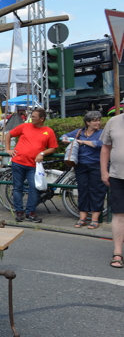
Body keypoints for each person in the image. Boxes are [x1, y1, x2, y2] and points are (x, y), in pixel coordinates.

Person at [4, 107, 58, 223]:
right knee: (17, 188)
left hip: (34, 165)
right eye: (31, 116)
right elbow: (9, 134)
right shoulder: (25, 126)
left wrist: (42, 153)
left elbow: (53, 148)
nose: (31, 118)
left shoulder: (48, 131)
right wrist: (8, 149)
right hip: (18, 162)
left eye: (34, 117)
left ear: (42, 119)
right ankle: (19, 212)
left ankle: (30, 213)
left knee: (34, 188)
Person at [61, 111, 104, 229]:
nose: (98, 123)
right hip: (81, 165)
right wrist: (66, 138)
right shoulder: (79, 132)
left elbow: (100, 144)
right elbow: (64, 136)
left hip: (96, 165)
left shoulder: (102, 133)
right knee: (82, 190)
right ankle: (82, 218)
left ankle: (95, 219)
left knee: (96, 191)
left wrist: (82, 141)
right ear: (88, 122)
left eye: (99, 120)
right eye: (95, 120)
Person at [102, 111, 124, 268]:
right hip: (118, 175)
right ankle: (117, 252)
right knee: (119, 213)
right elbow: (105, 148)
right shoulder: (114, 121)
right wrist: (104, 171)